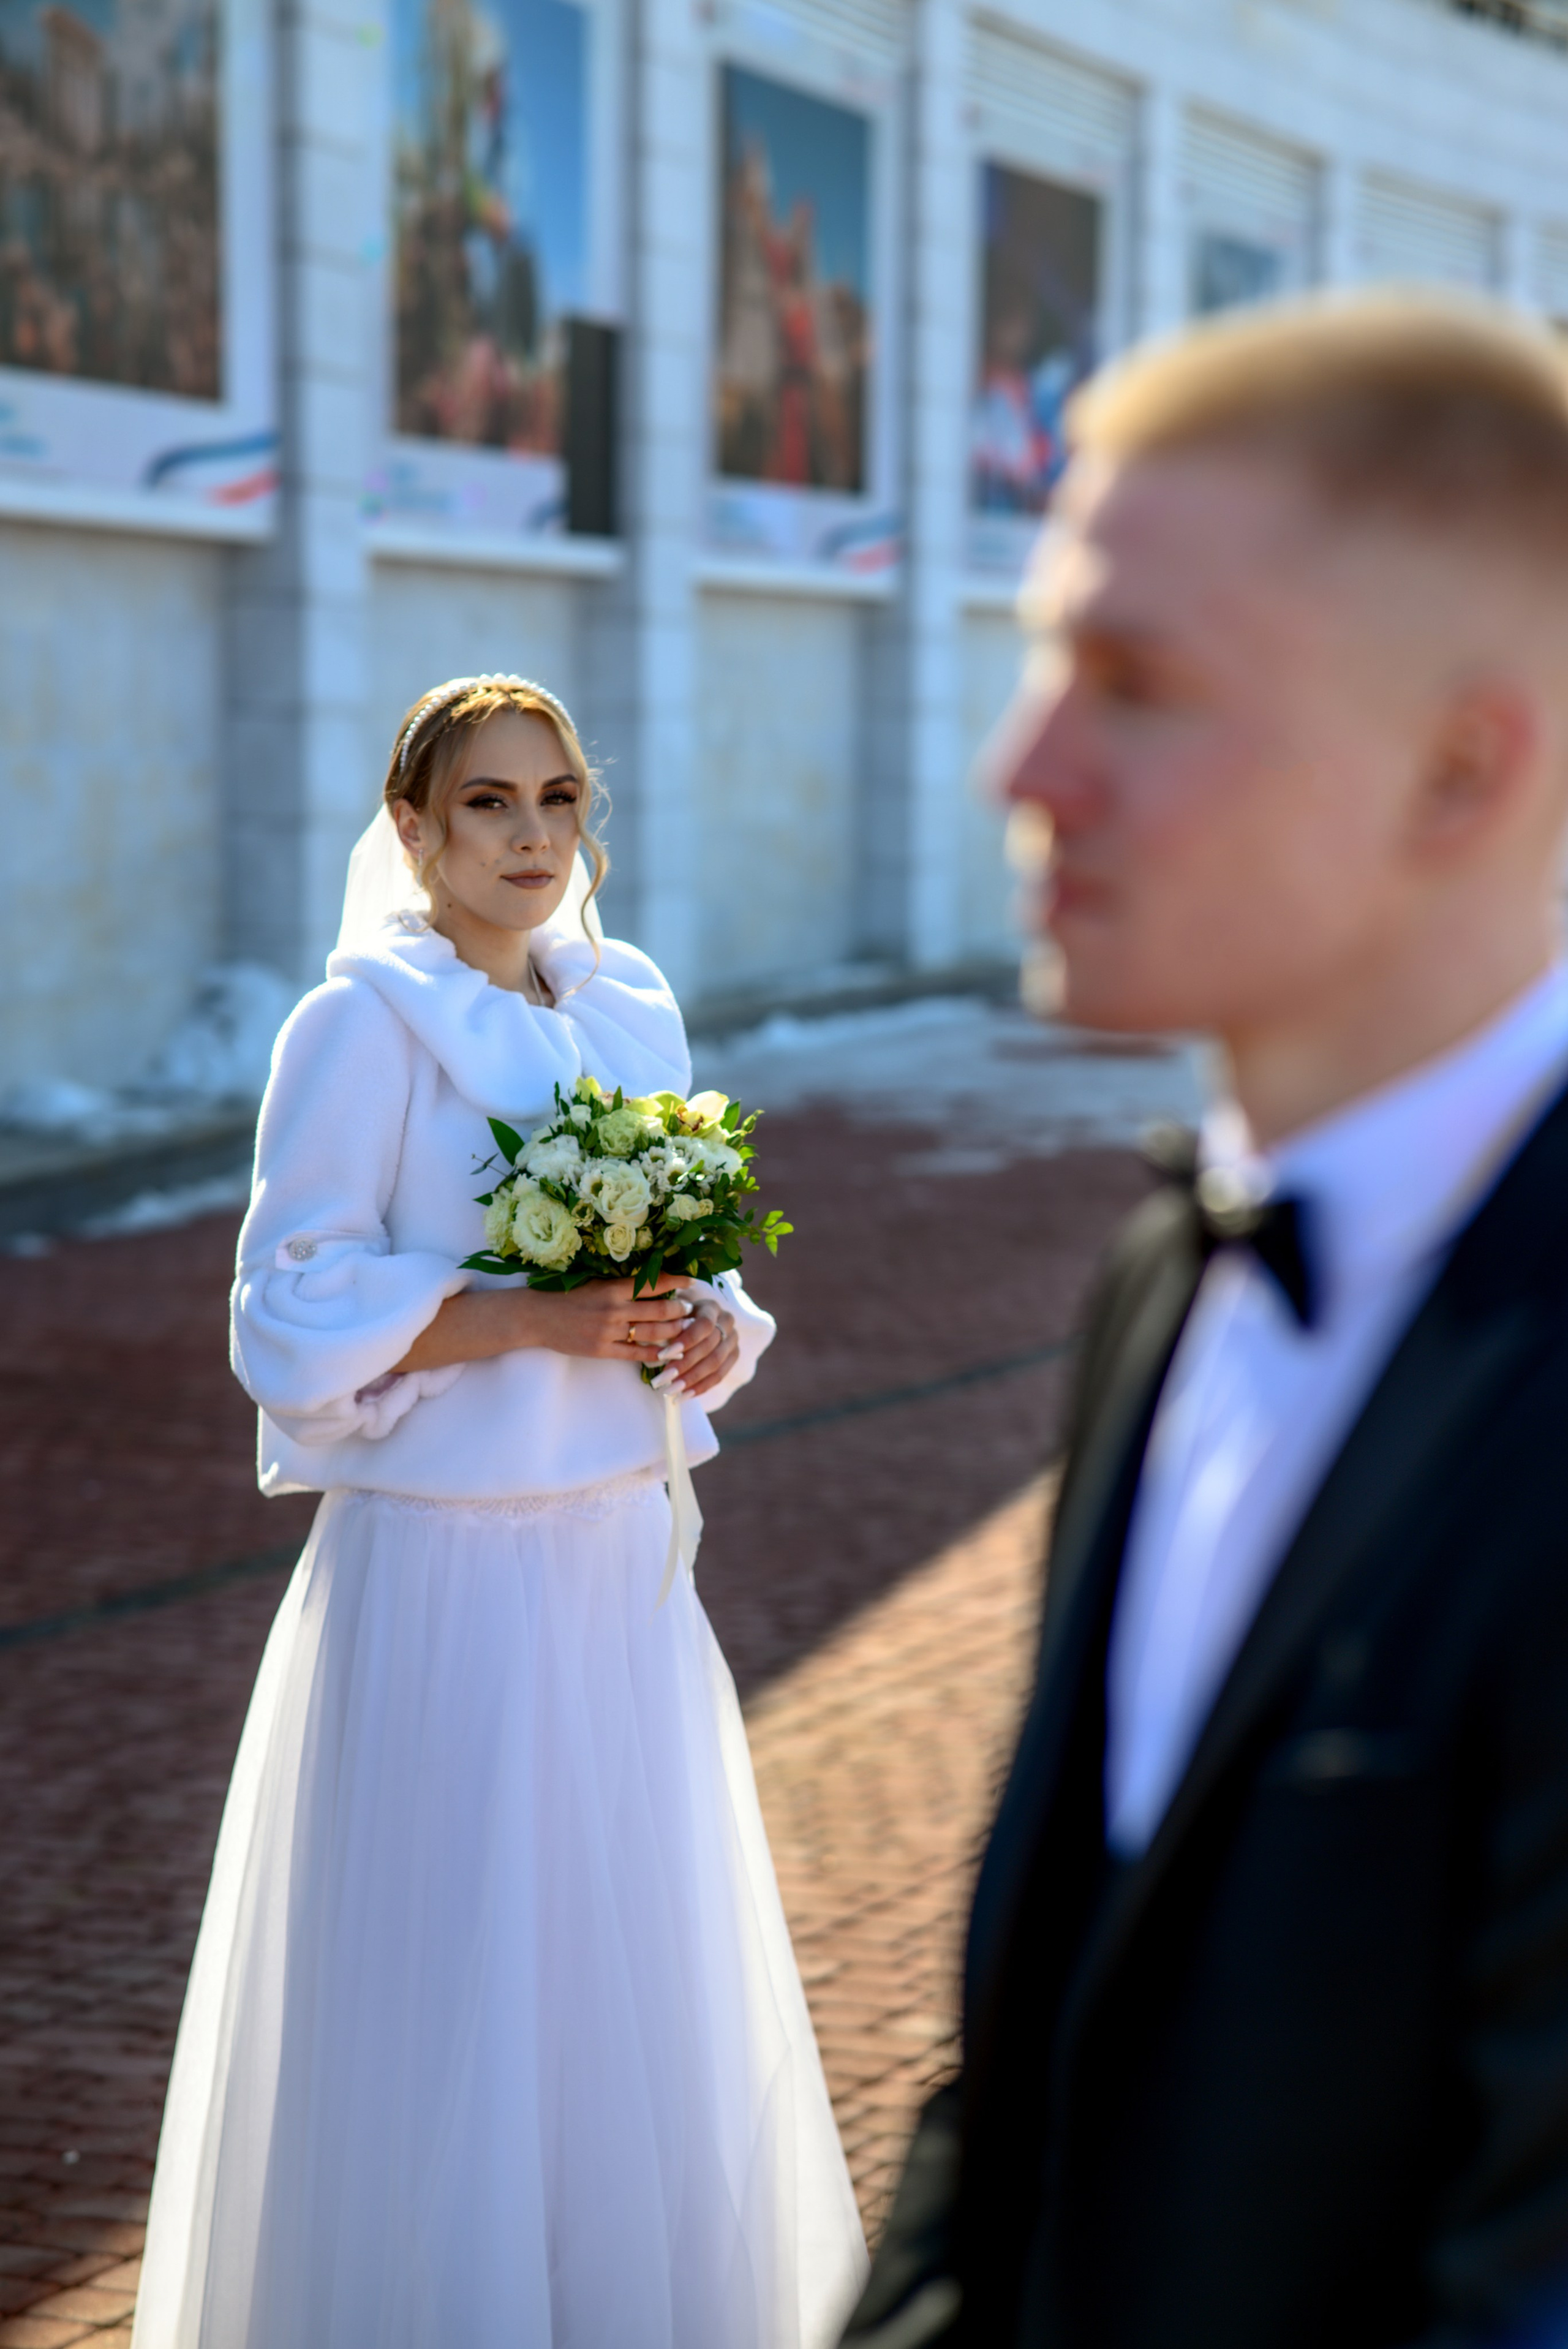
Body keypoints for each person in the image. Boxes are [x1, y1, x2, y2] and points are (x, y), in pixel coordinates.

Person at [842, 293, 1568, 2348]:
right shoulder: (1169, 1264)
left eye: (1133, 681)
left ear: (1463, 765)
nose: (1024, 765)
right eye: (1042, 656)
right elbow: (1024, 2082)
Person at [132, 674, 867, 2348]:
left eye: (558, 801)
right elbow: (288, 1313)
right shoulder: (359, 1025)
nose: (533, 836)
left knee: (625, 1995)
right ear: (413, 826)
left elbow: (699, 1265)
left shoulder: (632, 1010)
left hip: (618, 1564)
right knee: (450, 1982)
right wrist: (525, 1315)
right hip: (447, 1577)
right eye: (488, 803)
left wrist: (705, 1322)